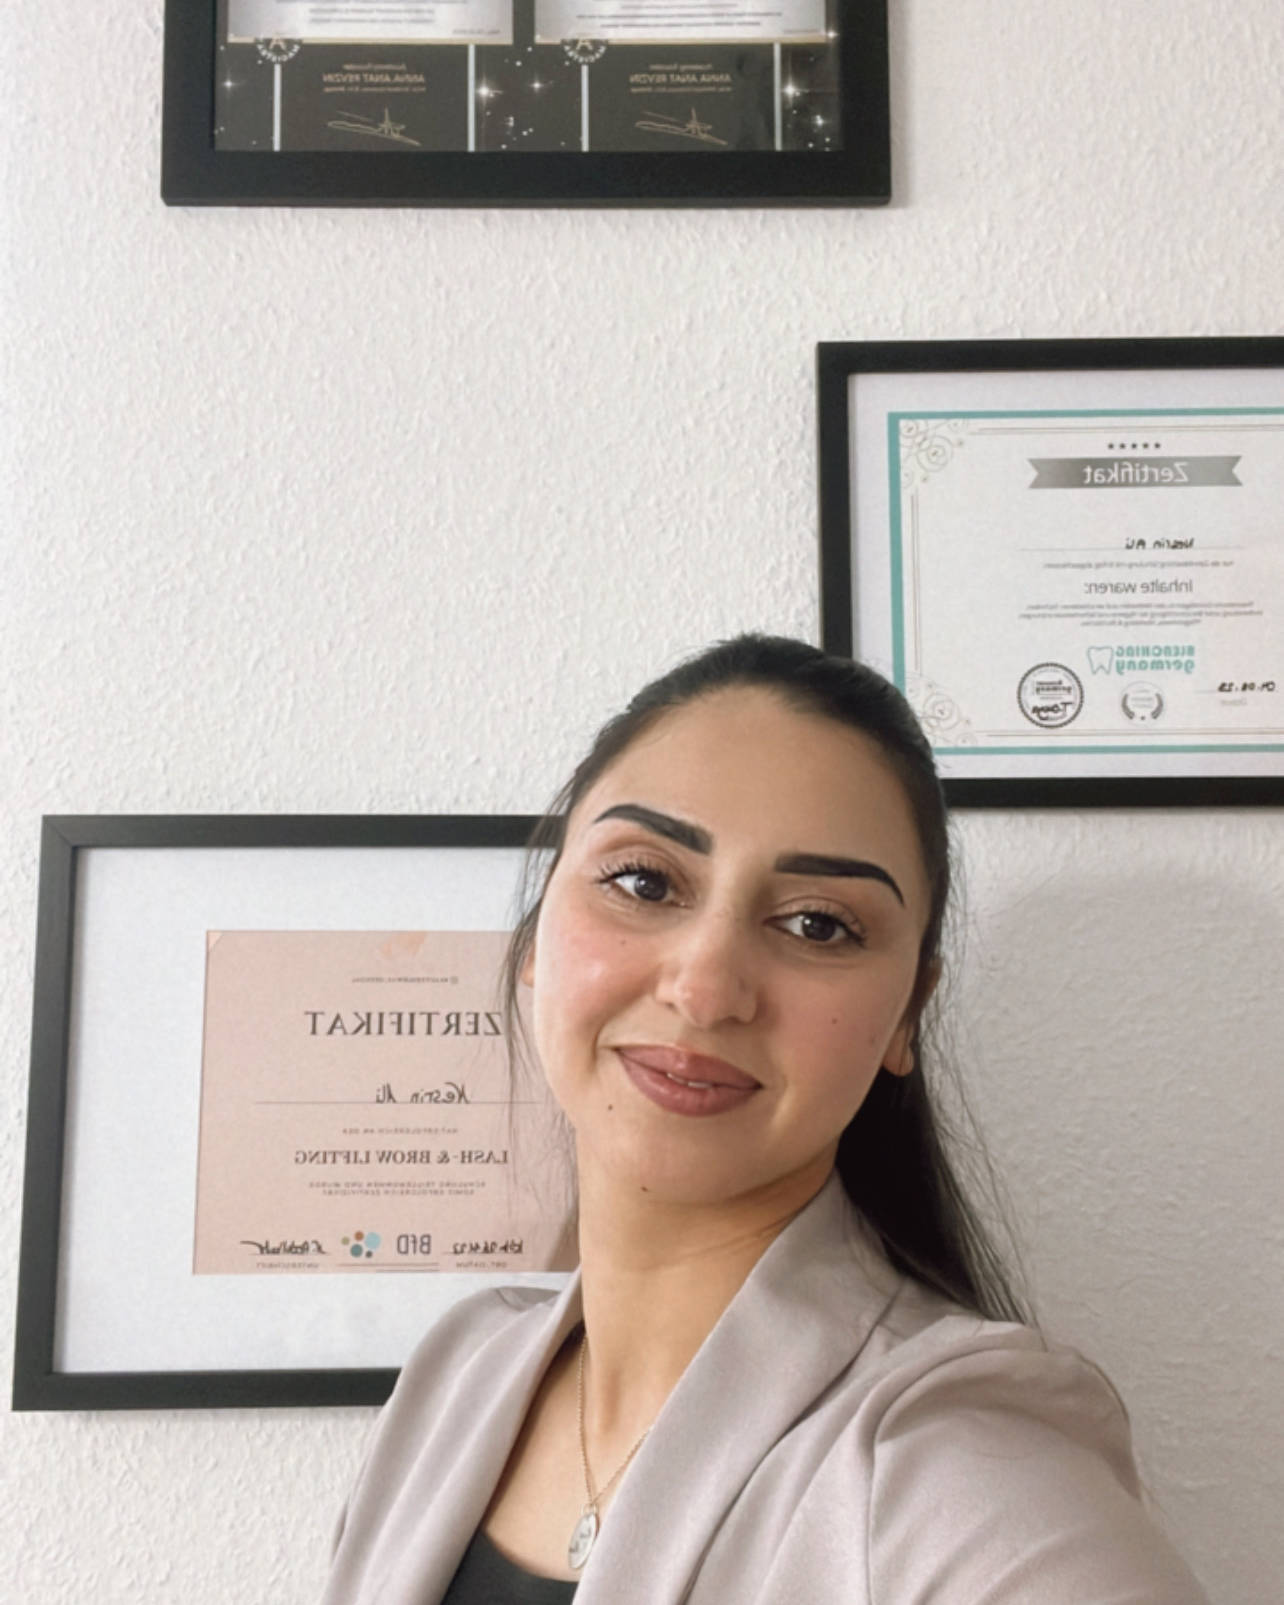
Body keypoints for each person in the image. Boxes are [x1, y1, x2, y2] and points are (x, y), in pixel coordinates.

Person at [321, 635, 1209, 1605]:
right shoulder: (456, 1377)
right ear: (537, 935)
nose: (706, 990)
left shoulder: (966, 1476)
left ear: (906, 1017)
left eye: (818, 924)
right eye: (644, 882)